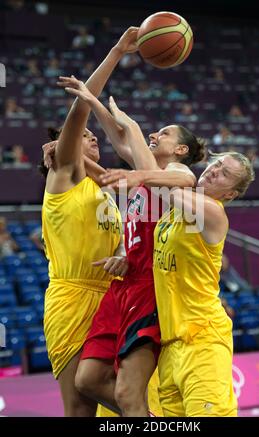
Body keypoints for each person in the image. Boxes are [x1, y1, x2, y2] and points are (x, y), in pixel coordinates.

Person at [55, 77, 206, 416]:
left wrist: (133, 130)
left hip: (151, 287)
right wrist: (92, 102)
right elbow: (122, 141)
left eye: (164, 133)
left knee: (126, 393)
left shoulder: (172, 170)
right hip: (124, 284)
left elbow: (187, 179)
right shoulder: (146, 170)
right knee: (88, 379)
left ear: (181, 149)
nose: (155, 136)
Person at [105, 151, 255, 416]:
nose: (214, 170)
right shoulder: (176, 213)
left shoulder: (212, 213)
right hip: (169, 345)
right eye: (216, 164)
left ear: (230, 193)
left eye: (225, 174)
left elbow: (169, 189)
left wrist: (141, 174)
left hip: (202, 340)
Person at [41, 27, 138, 417]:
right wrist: (116, 51)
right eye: (85, 137)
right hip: (73, 297)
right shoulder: (63, 175)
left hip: (112, 297)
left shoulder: (106, 194)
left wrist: (120, 253)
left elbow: (117, 240)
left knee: (118, 403)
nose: (92, 138)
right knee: (79, 407)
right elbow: (80, 112)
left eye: (95, 137)